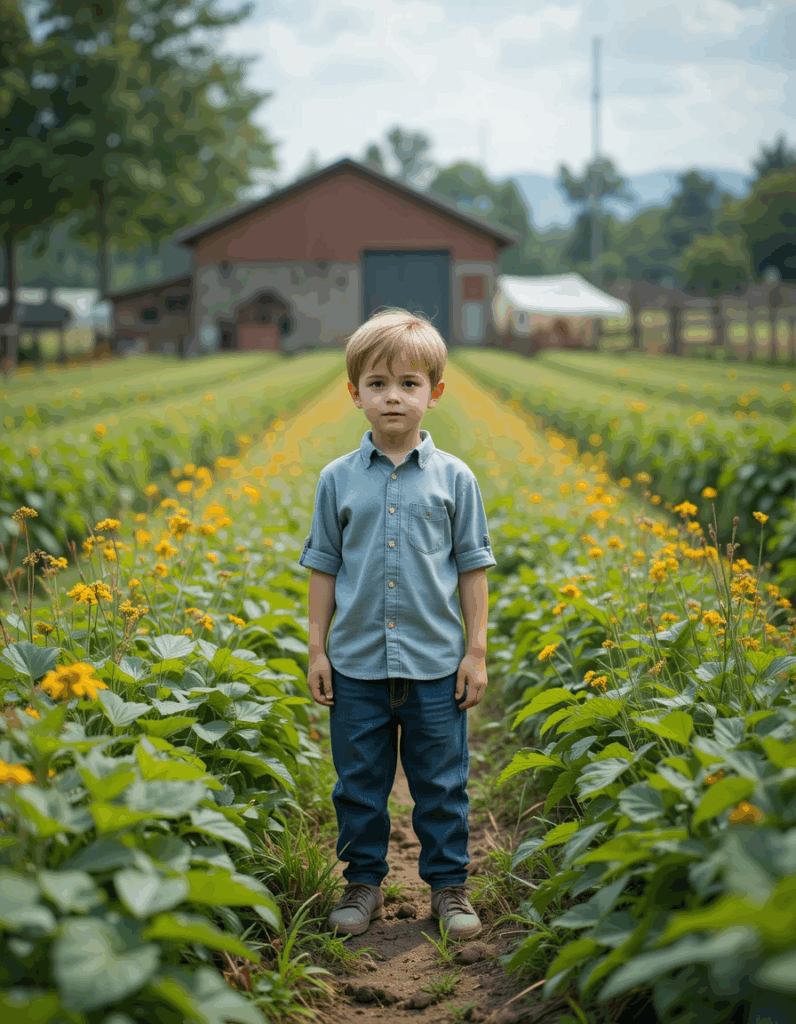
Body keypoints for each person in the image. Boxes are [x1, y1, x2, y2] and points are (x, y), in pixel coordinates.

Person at [297, 308, 496, 942]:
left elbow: (472, 570)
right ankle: (363, 884)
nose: (392, 397)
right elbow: (323, 569)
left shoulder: (455, 478)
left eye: (409, 383)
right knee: (359, 785)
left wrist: (476, 653)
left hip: (436, 665)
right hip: (356, 666)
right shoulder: (336, 480)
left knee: (442, 784)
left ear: (434, 393)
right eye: (377, 383)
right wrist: (317, 651)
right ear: (353, 392)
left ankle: (448, 887)